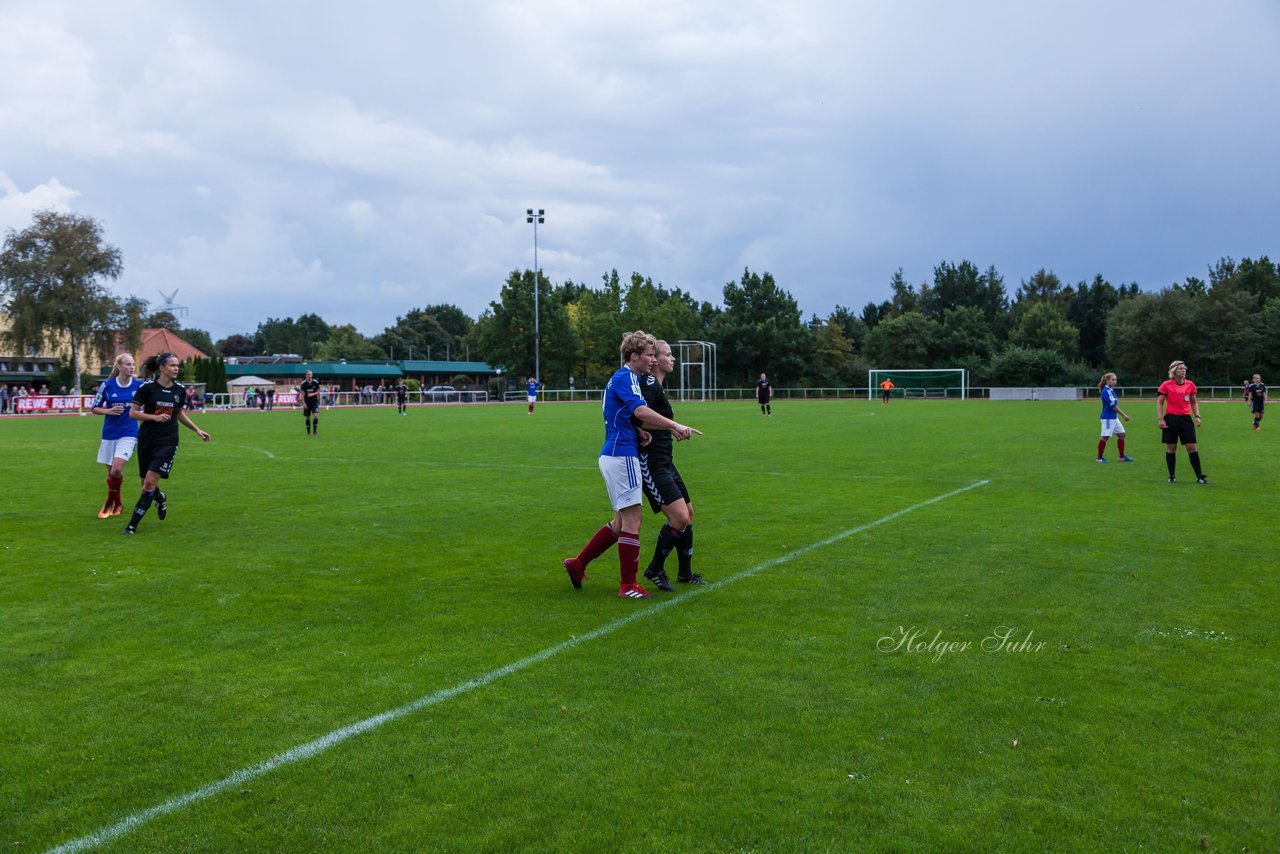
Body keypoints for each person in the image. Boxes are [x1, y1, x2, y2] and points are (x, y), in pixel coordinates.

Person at [563, 331, 698, 599]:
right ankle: (628, 586)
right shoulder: (625, 377)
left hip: (618, 452)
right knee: (632, 521)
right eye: (648, 355)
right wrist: (673, 425)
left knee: (620, 522)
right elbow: (638, 411)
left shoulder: (629, 379)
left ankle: (578, 564)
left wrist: (639, 432)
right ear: (634, 356)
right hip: (621, 455)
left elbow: (621, 414)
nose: (652, 360)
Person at [637, 340, 706, 591]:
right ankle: (654, 569)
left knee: (688, 513)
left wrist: (673, 428)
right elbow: (637, 417)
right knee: (679, 518)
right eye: (668, 354)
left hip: (666, 461)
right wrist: (673, 426)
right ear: (655, 358)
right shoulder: (648, 383)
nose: (673, 358)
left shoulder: (657, 386)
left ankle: (685, 574)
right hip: (651, 462)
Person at [122, 353, 211, 534]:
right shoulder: (147, 388)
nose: (176, 368)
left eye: (177, 365)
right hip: (147, 440)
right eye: (172, 365)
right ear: (162, 368)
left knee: (148, 484)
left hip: (168, 442)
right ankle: (160, 497)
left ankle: (131, 526)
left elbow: (178, 413)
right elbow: (133, 413)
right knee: (146, 485)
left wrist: (197, 429)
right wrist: (153, 417)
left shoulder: (179, 390)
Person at [90, 353, 144, 518]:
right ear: (119, 366)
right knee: (111, 474)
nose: (132, 367)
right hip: (109, 434)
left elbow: (147, 406)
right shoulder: (107, 386)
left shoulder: (138, 385)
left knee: (116, 470)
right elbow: (94, 408)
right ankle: (118, 503)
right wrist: (108, 411)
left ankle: (108, 503)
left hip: (129, 434)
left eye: (133, 364)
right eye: (128, 364)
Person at [1156, 360, 1206, 484]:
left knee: (1192, 447)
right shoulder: (1166, 385)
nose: (1183, 370)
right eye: (1180, 369)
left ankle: (1200, 477)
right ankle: (1172, 476)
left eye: (1184, 369)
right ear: (1173, 371)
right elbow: (1160, 402)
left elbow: (1193, 402)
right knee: (1171, 447)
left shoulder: (1190, 384)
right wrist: (1161, 419)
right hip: (1171, 419)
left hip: (1186, 420)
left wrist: (1197, 416)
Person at [1095, 372, 1133, 463]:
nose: (1115, 381)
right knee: (1105, 436)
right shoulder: (1106, 391)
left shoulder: (1111, 390)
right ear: (1107, 380)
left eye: (1115, 380)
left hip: (1113, 417)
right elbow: (1113, 406)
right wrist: (1124, 415)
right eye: (1113, 379)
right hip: (1108, 418)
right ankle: (1099, 458)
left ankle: (1122, 457)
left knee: (1121, 434)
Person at [299, 370, 322, 435]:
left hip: (314, 401)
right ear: (306, 375)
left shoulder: (315, 382)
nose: (310, 376)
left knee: (315, 415)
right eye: (308, 374)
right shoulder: (303, 383)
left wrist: (313, 394)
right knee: (307, 417)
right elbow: (302, 394)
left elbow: (319, 391)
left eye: (311, 374)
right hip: (307, 402)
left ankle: (315, 431)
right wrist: (304, 403)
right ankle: (308, 432)